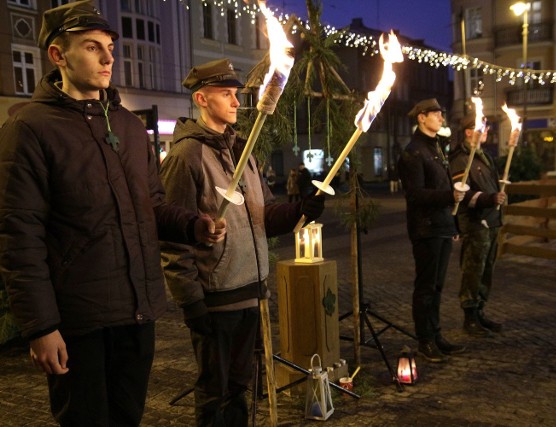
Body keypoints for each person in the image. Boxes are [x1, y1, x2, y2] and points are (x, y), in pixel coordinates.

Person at [0, 2, 221, 425]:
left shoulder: (129, 127)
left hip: (136, 313)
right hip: (78, 321)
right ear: (58, 56)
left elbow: (151, 205)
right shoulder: (30, 128)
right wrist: (40, 327)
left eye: (110, 47)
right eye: (92, 47)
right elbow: (18, 236)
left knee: (127, 418)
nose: (108, 58)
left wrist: (194, 225)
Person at [159, 58, 325, 426]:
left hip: (251, 289)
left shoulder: (242, 150)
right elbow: (172, 236)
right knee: (214, 391)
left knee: (240, 388)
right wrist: (191, 302)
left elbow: (262, 217)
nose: (236, 102)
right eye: (226, 94)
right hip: (216, 298)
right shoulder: (186, 156)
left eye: (236, 94)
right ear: (201, 99)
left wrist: (303, 210)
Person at [397, 98, 466, 363]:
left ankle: (436, 336)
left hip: (441, 226)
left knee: (437, 286)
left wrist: (454, 224)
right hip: (426, 229)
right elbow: (415, 195)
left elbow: (445, 187)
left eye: (441, 113)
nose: (440, 117)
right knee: (425, 286)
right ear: (421, 117)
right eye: (435, 113)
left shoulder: (436, 147)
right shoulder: (413, 152)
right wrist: (450, 195)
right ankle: (424, 340)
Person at [449, 115, 506, 337]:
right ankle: (469, 316)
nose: (485, 130)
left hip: (491, 221)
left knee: (487, 269)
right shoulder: (461, 159)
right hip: (475, 223)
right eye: (479, 127)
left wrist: (497, 198)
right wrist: (489, 199)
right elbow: (463, 194)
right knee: (473, 269)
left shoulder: (485, 157)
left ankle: (480, 311)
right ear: (468, 132)